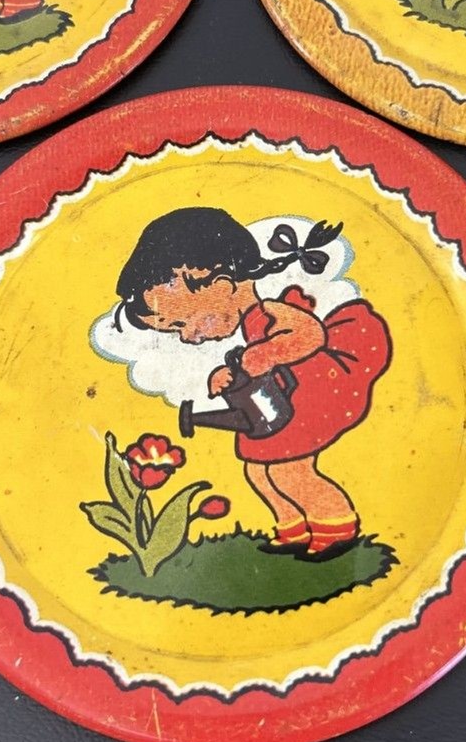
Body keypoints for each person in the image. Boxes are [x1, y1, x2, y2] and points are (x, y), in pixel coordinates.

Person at [115, 208, 392, 557]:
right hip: (284, 400)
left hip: (318, 385)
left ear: (221, 286)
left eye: (185, 321)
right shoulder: (248, 326)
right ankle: (292, 529)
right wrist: (225, 375)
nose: (187, 337)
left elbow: (311, 335)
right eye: (175, 330)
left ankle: (336, 529)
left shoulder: (272, 310)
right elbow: (247, 367)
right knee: (259, 472)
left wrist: (268, 353)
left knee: (290, 471)